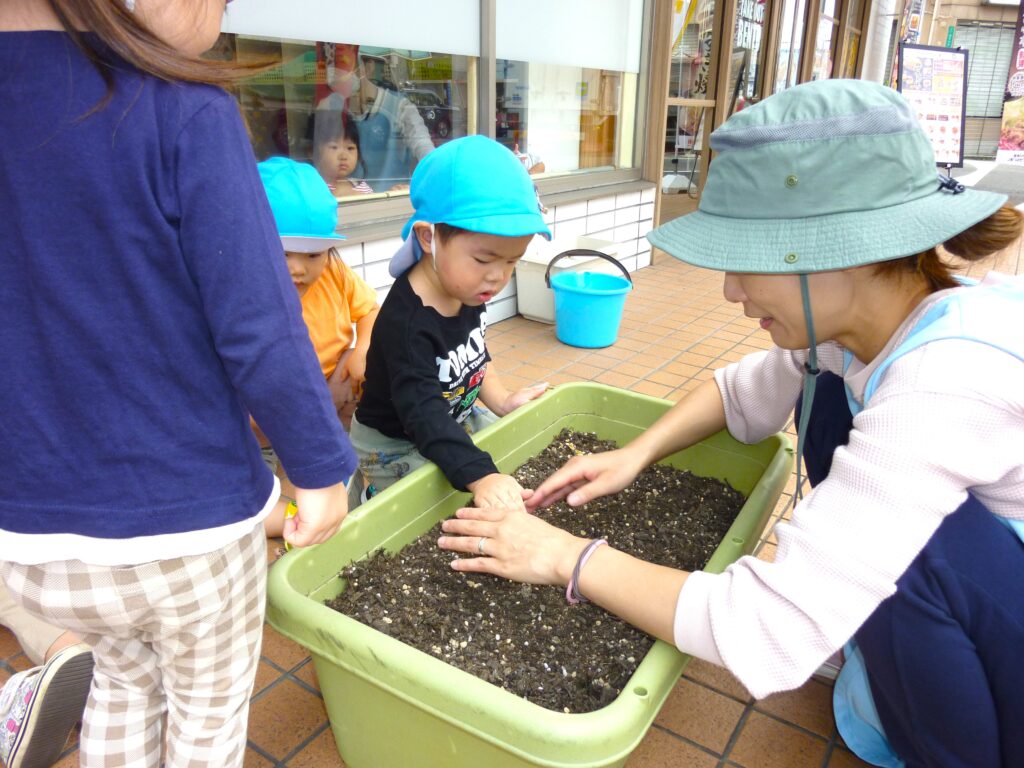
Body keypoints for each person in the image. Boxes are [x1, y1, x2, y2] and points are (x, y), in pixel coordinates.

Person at [437, 79, 1024, 768]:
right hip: (982, 601)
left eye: (748, 261)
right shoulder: (863, 326)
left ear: (845, 249)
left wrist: (564, 555)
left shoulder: (945, 381)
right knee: (822, 393)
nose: (730, 292)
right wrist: (637, 453)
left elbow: (767, 627)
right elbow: (743, 391)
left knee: (915, 547)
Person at [0, 2, 354, 768]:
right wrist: (319, 470)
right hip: (188, 523)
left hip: (32, 535)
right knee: (207, 714)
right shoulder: (183, 107)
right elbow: (259, 326)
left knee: (119, 689)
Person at [350, 135, 552, 509]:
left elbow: (475, 356)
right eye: (484, 260)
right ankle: (367, 496)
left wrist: (503, 401)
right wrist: (481, 475)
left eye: (512, 261)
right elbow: (422, 412)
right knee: (428, 507)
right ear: (429, 238)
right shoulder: (407, 324)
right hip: (394, 442)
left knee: (510, 460)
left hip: (449, 419)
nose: (498, 277)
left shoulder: (468, 288)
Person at [255, 157, 380, 537]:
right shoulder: (248, 293)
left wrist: (361, 350)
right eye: (284, 253)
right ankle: (279, 510)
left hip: (330, 393)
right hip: (267, 409)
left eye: (313, 254)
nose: (299, 268)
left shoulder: (334, 274)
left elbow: (370, 309)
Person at [316, 43, 435, 190]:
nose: (342, 81)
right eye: (336, 75)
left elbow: (427, 153)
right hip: (348, 200)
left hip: (393, 199)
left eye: (348, 71)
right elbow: (318, 154)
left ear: (368, 67)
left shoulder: (399, 106)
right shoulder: (329, 105)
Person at [311, 109, 374, 196]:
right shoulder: (314, 187)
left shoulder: (360, 185)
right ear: (313, 152)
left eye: (350, 148)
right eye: (334, 147)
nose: (343, 156)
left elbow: (374, 208)